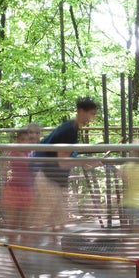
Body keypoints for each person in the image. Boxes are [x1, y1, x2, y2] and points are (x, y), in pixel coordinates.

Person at [30, 97, 99, 232]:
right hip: (49, 179)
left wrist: (84, 161)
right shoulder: (69, 131)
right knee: (41, 218)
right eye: (90, 113)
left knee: (59, 220)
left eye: (93, 114)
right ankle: (22, 248)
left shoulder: (70, 127)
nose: (91, 118)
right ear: (80, 111)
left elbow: (65, 157)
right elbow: (62, 162)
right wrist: (85, 161)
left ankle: (52, 246)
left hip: (53, 179)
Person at [0, 127, 37, 236]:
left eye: (27, 140)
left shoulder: (32, 153)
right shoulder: (11, 152)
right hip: (12, 189)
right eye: (21, 139)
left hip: (28, 189)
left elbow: (35, 170)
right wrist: (3, 190)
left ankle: (24, 251)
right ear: (17, 140)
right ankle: (12, 250)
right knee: (12, 224)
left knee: (25, 225)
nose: (24, 142)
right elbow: (4, 170)